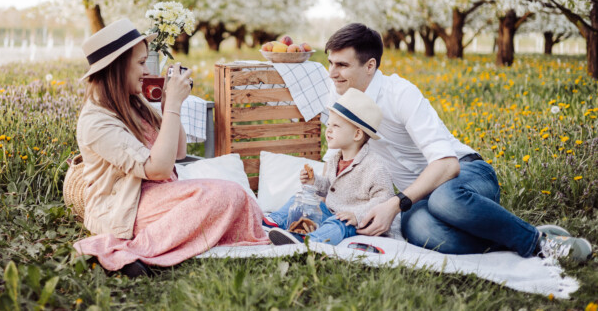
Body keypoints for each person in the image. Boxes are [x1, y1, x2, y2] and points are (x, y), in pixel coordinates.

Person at [322, 23, 592, 262]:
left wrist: (394, 204)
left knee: (445, 199)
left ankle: (540, 244)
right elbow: (337, 159)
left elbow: (447, 165)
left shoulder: (400, 93)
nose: (332, 73)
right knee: (421, 231)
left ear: (370, 66)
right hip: (417, 197)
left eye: (342, 65)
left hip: (466, 174)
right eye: (330, 63)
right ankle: (514, 235)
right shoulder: (340, 101)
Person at [72, 19, 268, 277]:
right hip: (125, 208)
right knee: (227, 195)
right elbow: (160, 168)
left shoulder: (131, 100)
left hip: (154, 194)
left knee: (235, 193)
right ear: (118, 66)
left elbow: (178, 152)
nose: (146, 70)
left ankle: (165, 240)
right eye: (141, 63)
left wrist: (167, 107)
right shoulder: (96, 121)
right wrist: (174, 104)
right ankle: (132, 251)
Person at [267, 88, 397, 246]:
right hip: (331, 212)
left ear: (357, 134)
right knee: (299, 200)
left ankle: (308, 241)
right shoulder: (336, 159)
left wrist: (357, 215)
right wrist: (314, 181)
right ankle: (271, 222)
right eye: (329, 124)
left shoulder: (375, 166)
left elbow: (385, 199)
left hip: (357, 223)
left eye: (336, 126)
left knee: (337, 223)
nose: (328, 130)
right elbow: (329, 187)